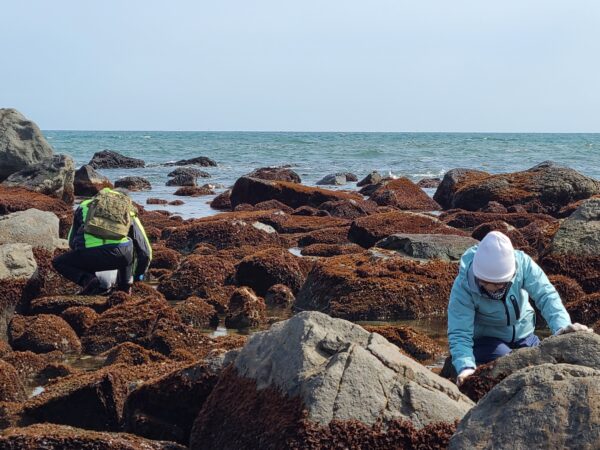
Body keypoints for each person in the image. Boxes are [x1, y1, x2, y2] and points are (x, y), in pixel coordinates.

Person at [448, 231, 592, 387]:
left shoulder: (523, 264)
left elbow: (546, 296)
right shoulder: (463, 285)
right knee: (509, 363)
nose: (491, 289)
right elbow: (460, 332)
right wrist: (466, 367)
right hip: (487, 341)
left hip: (525, 335)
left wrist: (562, 328)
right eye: (485, 283)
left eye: (498, 284)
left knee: (545, 360)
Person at [52, 188, 152, 295]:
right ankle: (125, 287)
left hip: (89, 256)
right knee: (128, 243)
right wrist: (138, 276)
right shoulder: (128, 209)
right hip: (121, 256)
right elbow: (144, 251)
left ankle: (89, 280)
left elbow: (71, 241)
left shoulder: (84, 205)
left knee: (58, 262)